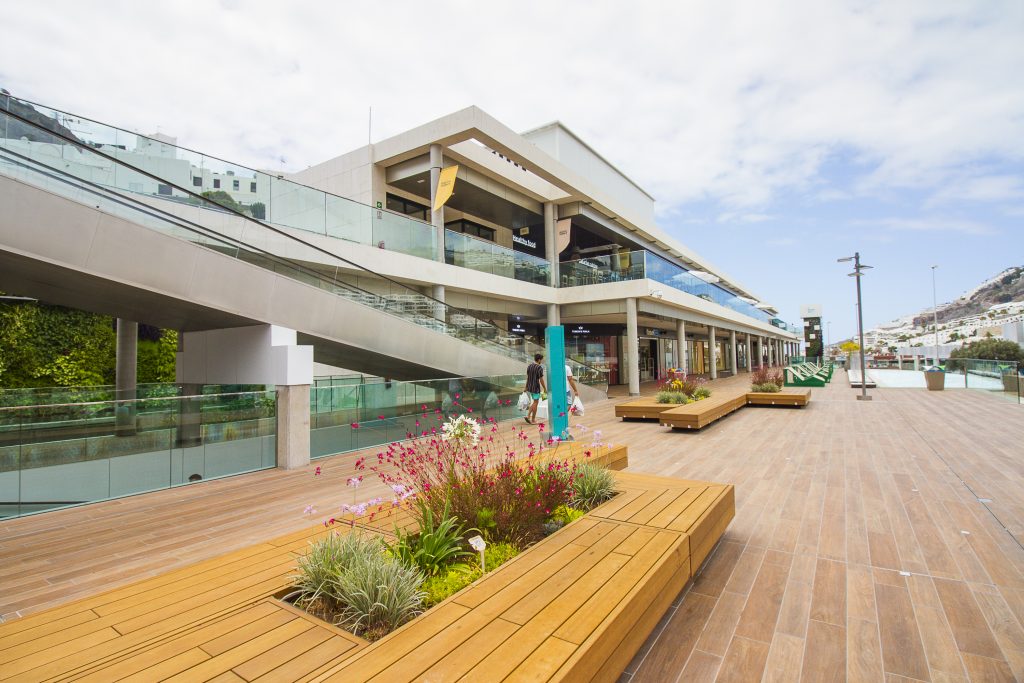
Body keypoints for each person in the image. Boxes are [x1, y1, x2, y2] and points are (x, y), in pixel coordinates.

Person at [525, 353, 547, 424]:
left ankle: (530, 417)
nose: (542, 361)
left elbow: (528, 378)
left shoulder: (529, 366)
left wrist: (526, 387)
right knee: (535, 402)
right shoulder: (539, 368)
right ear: (539, 359)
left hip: (529, 387)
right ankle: (531, 418)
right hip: (535, 387)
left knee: (534, 402)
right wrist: (544, 388)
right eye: (541, 360)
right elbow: (541, 379)